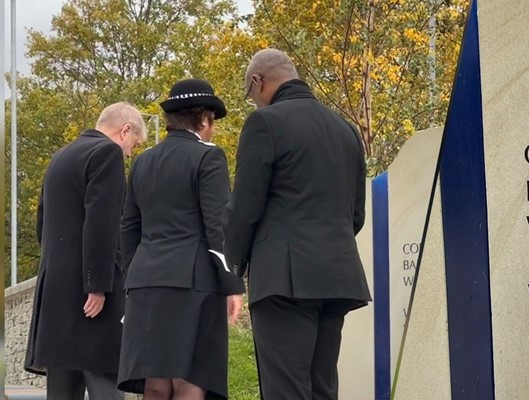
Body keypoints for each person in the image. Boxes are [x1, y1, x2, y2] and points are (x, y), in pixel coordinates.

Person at [224, 48, 371, 400]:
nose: (254, 101)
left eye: (250, 93)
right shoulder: (346, 130)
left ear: (258, 81)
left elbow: (245, 208)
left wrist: (235, 265)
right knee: (322, 388)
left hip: (283, 279)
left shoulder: (265, 123)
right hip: (337, 277)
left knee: (286, 389)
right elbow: (356, 215)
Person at [118, 78, 245, 400]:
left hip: (145, 283)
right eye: (212, 122)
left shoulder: (143, 161)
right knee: (190, 378)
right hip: (193, 284)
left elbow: (128, 228)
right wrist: (232, 284)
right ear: (203, 119)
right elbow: (217, 227)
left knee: (156, 382)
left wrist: (136, 275)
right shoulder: (208, 157)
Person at [25, 102, 146, 400]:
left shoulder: (60, 157)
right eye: (133, 145)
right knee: (105, 383)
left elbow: (43, 221)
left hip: (55, 291)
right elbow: (102, 224)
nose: (129, 154)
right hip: (91, 295)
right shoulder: (107, 153)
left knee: (62, 388)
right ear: (125, 130)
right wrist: (97, 285)